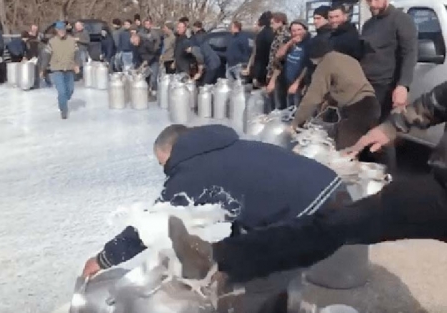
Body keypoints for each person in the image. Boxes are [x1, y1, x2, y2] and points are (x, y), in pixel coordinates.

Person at [166, 80, 447, 289]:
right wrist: (391, 126)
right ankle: (220, 256)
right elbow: (435, 102)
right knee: (335, 224)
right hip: (441, 191)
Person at [82, 124, 344, 281]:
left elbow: (152, 225)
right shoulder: (226, 147)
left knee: (256, 282)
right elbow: (246, 207)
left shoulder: (193, 173)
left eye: (166, 165)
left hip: (317, 214)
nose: (168, 173)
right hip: (334, 190)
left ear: (175, 152)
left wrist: (103, 259)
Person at [289, 37, 379, 150]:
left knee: (345, 154)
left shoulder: (325, 64)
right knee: (370, 150)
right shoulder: (347, 59)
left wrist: (296, 122)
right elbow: (348, 83)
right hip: (372, 105)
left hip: (357, 111)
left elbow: (312, 97)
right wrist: (331, 99)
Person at [267, 19, 311, 109]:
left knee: (296, 111)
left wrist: (297, 83)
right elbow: (278, 56)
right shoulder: (290, 42)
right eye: (293, 31)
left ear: (305, 30)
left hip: (299, 85)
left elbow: (307, 66)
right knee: (285, 110)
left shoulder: (309, 44)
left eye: (299, 30)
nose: (296, 33)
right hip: (286, 81)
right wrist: (290, 43)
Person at [44, 21, 80, 119]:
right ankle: (63, 109)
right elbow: (46, 55)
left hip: (69, 68)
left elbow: (77, 53)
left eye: (63, 29)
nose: (61, 31)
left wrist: (77, 64)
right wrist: (42, 68)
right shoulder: (52, 42)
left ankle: (63, 99)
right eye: (59, 30)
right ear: (56, 30)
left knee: (70, 90)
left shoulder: (72, 40)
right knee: (62, 91)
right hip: (57, 69)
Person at [246, 12, 274, 87]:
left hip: (261, 69)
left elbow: (255, 53)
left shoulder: (261, 35)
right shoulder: (272, 33)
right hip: (265, 69)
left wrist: (250, 68)